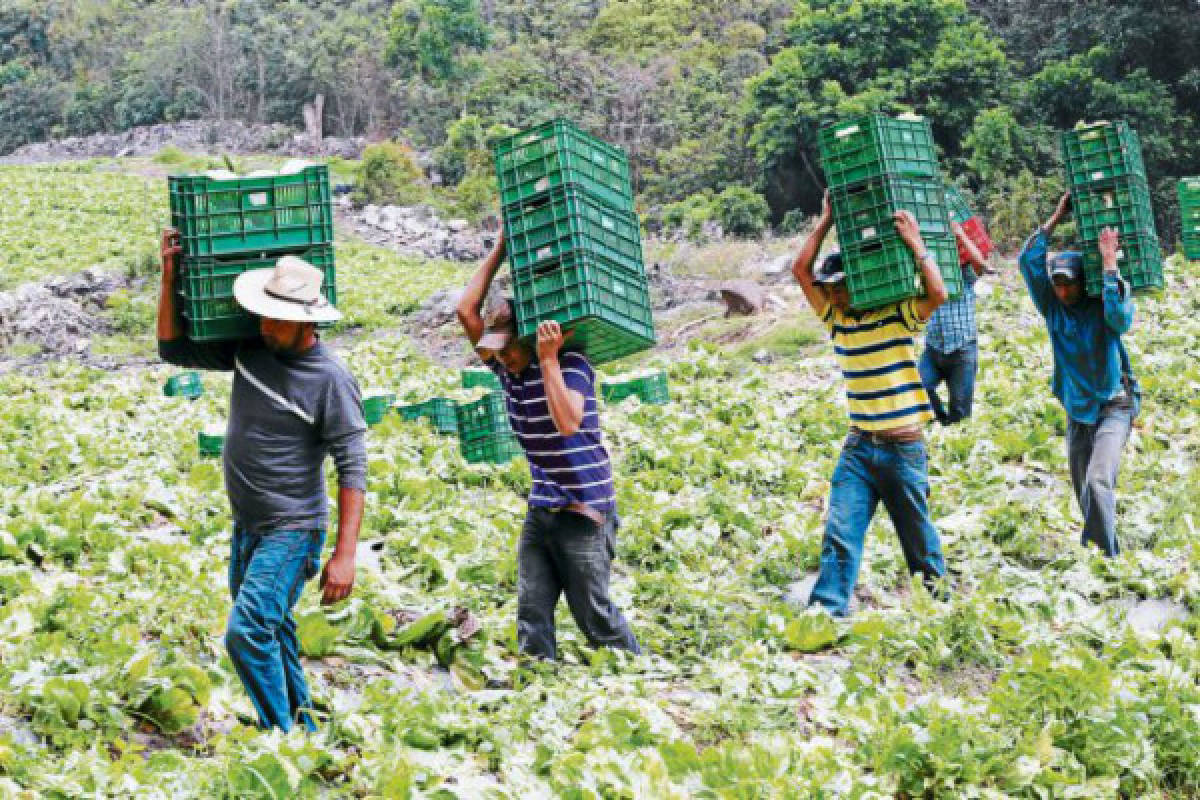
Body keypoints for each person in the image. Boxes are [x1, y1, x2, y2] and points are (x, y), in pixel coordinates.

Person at [156, 229, 367, 731]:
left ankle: (284, 736)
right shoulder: (251, 349)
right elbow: (173, 349)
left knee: (246, 631)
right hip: (248, 525)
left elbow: (353, 466)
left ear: (305, 323)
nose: (267, 324)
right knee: (273, 628)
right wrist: (169, 275)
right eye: (267, 312)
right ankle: (305, 729)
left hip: (292, 529)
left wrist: (345, 554)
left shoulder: (330, 379)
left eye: (279, 318)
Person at [456, 230, 640, 660]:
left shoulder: (571, 365)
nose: (501, 358)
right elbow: (465, 311)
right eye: (496, 352)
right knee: (532, 610)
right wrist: (500, 249)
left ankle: (636, 674)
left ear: (528, 339)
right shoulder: (508, 370)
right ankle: (540, 682)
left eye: (508, 350)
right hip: (542, 507)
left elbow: (568, 422)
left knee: (594, 614)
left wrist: (549, 359)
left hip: (585, 510)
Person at [792, 195, 950, 616]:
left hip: (903, 447)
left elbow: (938, 293)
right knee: (841, 530)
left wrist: (916, 243)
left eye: (841, 286)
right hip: (860, 445)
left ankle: (940, 606)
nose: (836, 294)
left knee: (917, 537)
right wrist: (825, 219)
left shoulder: (895, 314)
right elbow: (799, 271)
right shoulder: (836, 321)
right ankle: (827, 612)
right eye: (830, 288)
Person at [1017, 193, 1139, 557]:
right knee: (1081, 488)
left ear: (1082, 282)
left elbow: (1120, 320)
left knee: (1098, 481)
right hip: (1077, 408)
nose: (1064, 290)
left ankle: (1110, 558)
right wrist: (1057, 215)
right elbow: (1028, 259)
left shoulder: (1102, 304)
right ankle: (1096, 550)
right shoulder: (1052, 308)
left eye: (1070, 283)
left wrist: (1108, 263)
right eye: (1058, 283)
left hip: (1113, 404)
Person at [918, 220, 990, 424]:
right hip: (933, 348)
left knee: (960, 411)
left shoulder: (963, 271)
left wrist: (960, 235)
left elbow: (981, 266)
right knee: (919, 388)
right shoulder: (926, 275)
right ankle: (940, 421)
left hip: (962, 349)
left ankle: (954, 434)